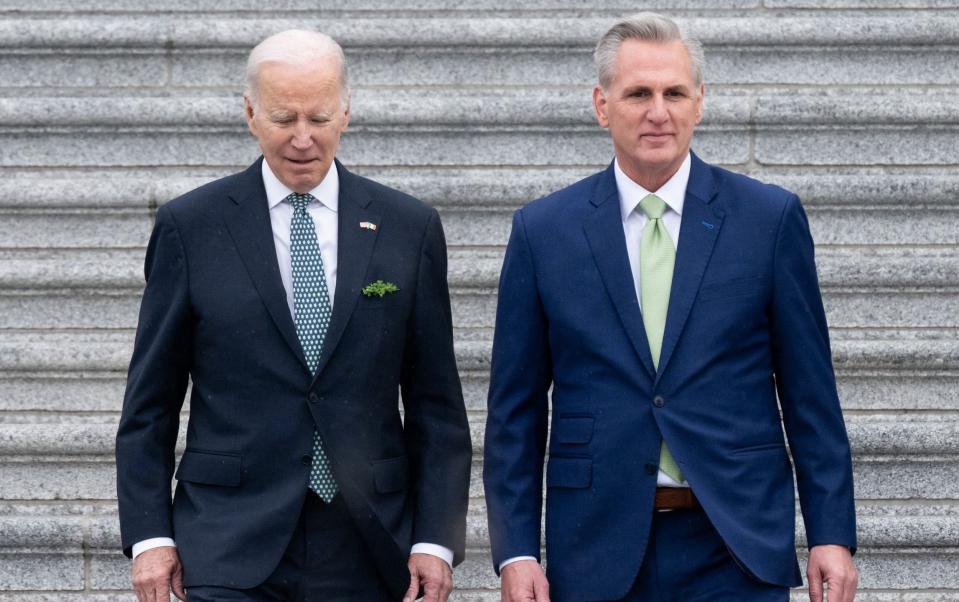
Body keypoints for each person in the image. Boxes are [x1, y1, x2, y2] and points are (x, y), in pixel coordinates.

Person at [483, 12, 857, 602]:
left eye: (674, 93)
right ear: (602, 104)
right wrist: (517, 550)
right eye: (638, 94)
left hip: (734, 545)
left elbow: (811, 394)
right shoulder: (543, 231)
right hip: (595, 543)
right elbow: (515, 412)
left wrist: (831, 533)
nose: (659, 111)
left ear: (699, 102)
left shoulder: (768, 220)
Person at [115, 29, 471, 602]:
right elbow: (149, 404)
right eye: (283, 119)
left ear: (347, 113)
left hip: (369, 537)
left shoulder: (410, 228)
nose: (303, 139)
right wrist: (151, 535)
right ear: (250, 114)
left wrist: (435, 540)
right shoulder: (191, 227)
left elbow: (437, 407)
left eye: (319, 117)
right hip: (227, 536)